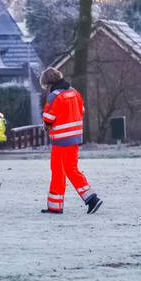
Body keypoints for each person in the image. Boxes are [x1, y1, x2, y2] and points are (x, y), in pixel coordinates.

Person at [40, 67, 102, 215]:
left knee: (62, 171)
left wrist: (47, 126)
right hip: (74, 138)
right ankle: (57, 206)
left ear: (48, 82)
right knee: (65, 169)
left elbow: (48, 118)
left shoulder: (54, 96)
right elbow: (82, 110)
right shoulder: (74, 92)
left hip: (60, 139)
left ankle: (91, 198)